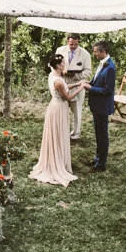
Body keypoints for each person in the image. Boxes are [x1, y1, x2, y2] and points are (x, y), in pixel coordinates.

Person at [31, 53, 83, 186]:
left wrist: (77, 83)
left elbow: (65, 87)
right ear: (58, 66)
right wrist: (82, 88)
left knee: (58, 134)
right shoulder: (58, 81)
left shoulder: (54, 75)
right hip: (58, 108)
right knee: (58, 134)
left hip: (57, 107)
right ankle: (56, 162)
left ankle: (58, 158)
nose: (65, 65)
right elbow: (68, 97)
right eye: (63, 64)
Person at [83, 40, 117, 172]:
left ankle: (101, 164)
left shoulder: (110, 68)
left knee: (102, 135)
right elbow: (97, 80)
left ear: (103, 52)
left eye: (96, 52)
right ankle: (98, 158)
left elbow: (108, 91)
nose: (94, 54)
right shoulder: (102, 64)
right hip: (97, 106)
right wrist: (90, 82)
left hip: (102, 107)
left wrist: (90, 88)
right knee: (98, 134)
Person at [54, 34, 91, 140]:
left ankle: (76, 132)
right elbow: (54, 65)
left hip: (77, 85)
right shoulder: (60, 50)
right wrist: (62, 72)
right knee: (62, 109)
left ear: (79, 42)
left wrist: (75, 75)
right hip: (63, 83)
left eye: (75, 44)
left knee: (77, 110)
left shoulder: (85, 54)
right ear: (67, 41)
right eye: (71, 44)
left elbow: (88, 71)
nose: (73, 46)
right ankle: (63, 131)